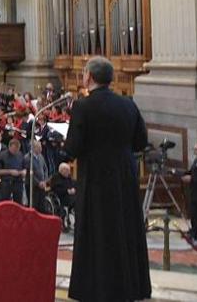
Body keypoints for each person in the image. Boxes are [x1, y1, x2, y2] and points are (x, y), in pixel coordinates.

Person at [64, 56, 151, 302]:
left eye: (83, 73)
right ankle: (130, 287)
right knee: (125, 229)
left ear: (89, 77)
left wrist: (66, 156)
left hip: (96, 177)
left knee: (98, 230)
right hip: (124, 174)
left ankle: (97, 289)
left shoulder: (83, 106)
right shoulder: (128, 104)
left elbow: (74, 146)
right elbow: (140, 142)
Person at [0, 139, 26, 204]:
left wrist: (24, 171)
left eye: (17, 149)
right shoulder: (2, 156)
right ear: (9, 147)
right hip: (6, 182)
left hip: (18, 182)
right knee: (5, 203)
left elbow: (24, 167)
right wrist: (10, 171)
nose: (15, 151)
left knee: (18, 203)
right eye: (14, 149)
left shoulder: (20, 154)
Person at [25, 140, 50, 212]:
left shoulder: (41, 156)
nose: (41, 149)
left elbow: (45, 169)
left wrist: (45, 181)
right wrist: (38, 183)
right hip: (32, 186)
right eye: (39, 147)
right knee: (34, 206)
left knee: (42, 205)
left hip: (42, 185)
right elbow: (29, 173)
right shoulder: (27, 158)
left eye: (41, 147)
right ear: (33, 148)